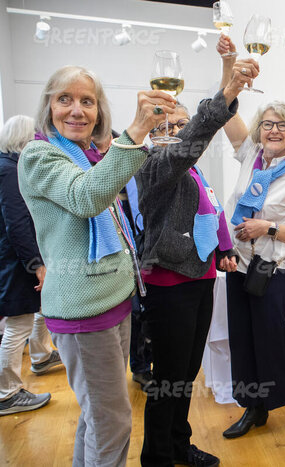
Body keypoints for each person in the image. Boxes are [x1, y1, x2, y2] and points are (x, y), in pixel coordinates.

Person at [17, 65, 174, 467]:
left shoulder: (89, 155)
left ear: (98, 110)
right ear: (48, 106)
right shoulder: (39, 155)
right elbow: (86, 198)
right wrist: (136, 132)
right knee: (112, 423)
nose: (77, 110)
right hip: (85, 312)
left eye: (87, 101)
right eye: (64, 99)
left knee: (98, 417)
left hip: (113, 301)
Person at [135, 59, 246, 466]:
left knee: (185, 376)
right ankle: (157, 457)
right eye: (166, 124)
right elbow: (188, 145)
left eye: (180, 124)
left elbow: (210, 215)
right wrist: (228, 93)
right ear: (153, 130)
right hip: (169, 286)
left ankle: (178, 446)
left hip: (199, 278)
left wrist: (224, 250)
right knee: (168, 381)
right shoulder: (153, 165)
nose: (175, 130)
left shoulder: (194, 172)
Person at [215, 36, 285, 439]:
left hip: (275, 270)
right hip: (238, 264)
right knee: (243, 340)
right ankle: (253, 407)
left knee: (274, 341)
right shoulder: (248, 153)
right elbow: (224, 109)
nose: (273, 130)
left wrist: (269, 227)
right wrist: (229, 64)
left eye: (281, 125)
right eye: (267, 124)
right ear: (259, 130)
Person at [0, 115, 62, 417]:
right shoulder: (10, 172)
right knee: (18, 324)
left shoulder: (7, 167)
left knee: (35, 309)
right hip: (15, 260)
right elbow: (17, 224)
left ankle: (40, 357)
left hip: (14, 257)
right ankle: (6, 393)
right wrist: (36, 263)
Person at [94, 129, 155, 392]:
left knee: (144, 311)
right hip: (113, 257)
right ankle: (132, 369)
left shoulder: (134, 171)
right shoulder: (93, 174)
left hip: (142, 246)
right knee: (130, 312)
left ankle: (144, 365)